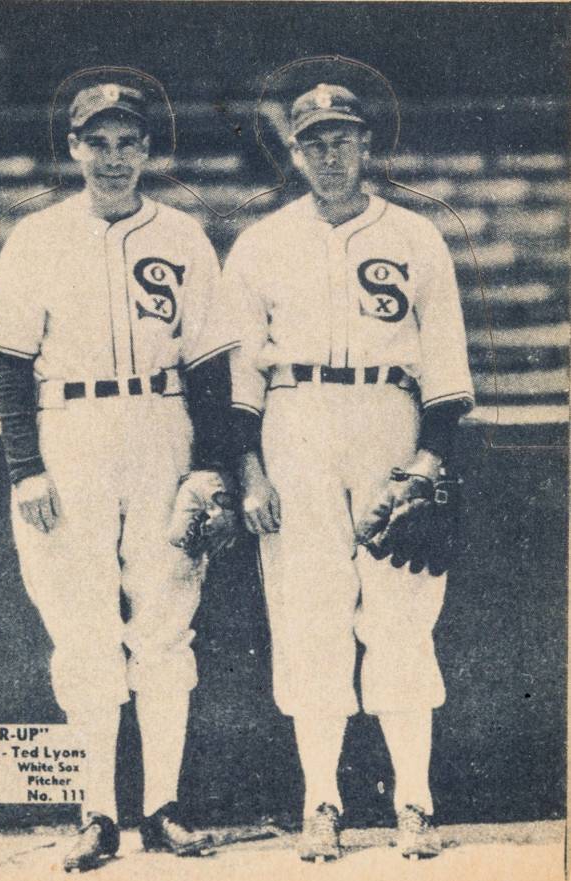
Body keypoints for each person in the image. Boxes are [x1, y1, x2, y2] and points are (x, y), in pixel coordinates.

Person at [0, 77, 235, 872]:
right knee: (81, 626)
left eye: (129, 141)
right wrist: (26, 467)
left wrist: (210, 467)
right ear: (75, 147)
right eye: (100, 140)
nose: (115, 156)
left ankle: (161, 806)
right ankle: (97, 811)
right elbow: (9, 361)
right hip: (70, 432)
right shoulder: (37, 236)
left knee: (165, 618)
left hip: (162, 423)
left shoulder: (185, 234)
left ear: (148, 150)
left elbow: (210, 364)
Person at [220, 83, 474, 861]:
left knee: (400, 612)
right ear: (293, 152)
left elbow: (444, 359)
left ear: (367, 145)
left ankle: (414, 804)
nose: (329, 154)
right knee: (309, 615)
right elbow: (238, 377)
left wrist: (428, 456)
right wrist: (251, 471)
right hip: (295, 420)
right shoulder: (262, 242)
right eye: (314, 141)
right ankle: (320, 801)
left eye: (343, 138)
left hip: (389, 420)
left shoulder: (416, 236)